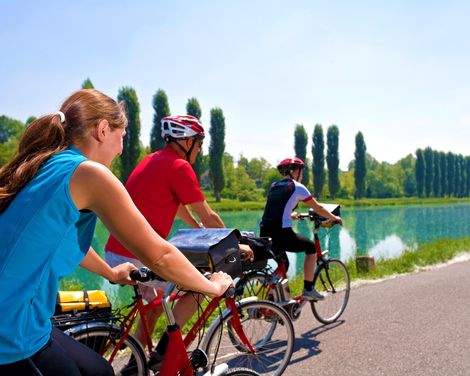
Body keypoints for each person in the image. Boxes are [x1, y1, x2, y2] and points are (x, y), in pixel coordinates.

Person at [0, 90, 233, 376]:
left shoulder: (46, 164)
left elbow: (58, 241)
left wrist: (110, 273)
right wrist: (213, 286)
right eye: (121, 137)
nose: (122, 149)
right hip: (11, 333)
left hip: (24, 318)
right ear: (102, 130)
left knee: (100, 370)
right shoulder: (89, 173)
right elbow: (158, 255)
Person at [104, 114, 253, 372]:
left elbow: (180, 207)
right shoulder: (179, 166)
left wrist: (199, 230)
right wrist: (234, 244)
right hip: (138, 254)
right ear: (186, 141)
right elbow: (208, 214)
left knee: (152, 310)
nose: (199, 149)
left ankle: (134, 366)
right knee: (199, 286)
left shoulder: (153, 159)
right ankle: (162, 354)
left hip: (116, 251)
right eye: (198, 143)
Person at [259, 157, 342, 301]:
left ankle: (275, 300)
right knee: (311, 248)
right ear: (295, 171)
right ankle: (308, 289)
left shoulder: (274, 186)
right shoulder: (297, 187)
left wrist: (290, 214)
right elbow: (318, 208)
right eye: (301, 172)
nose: (302, 175)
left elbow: (275, 209)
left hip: (265, 233)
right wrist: (334, 218)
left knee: (284, 264)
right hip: (282, 234)